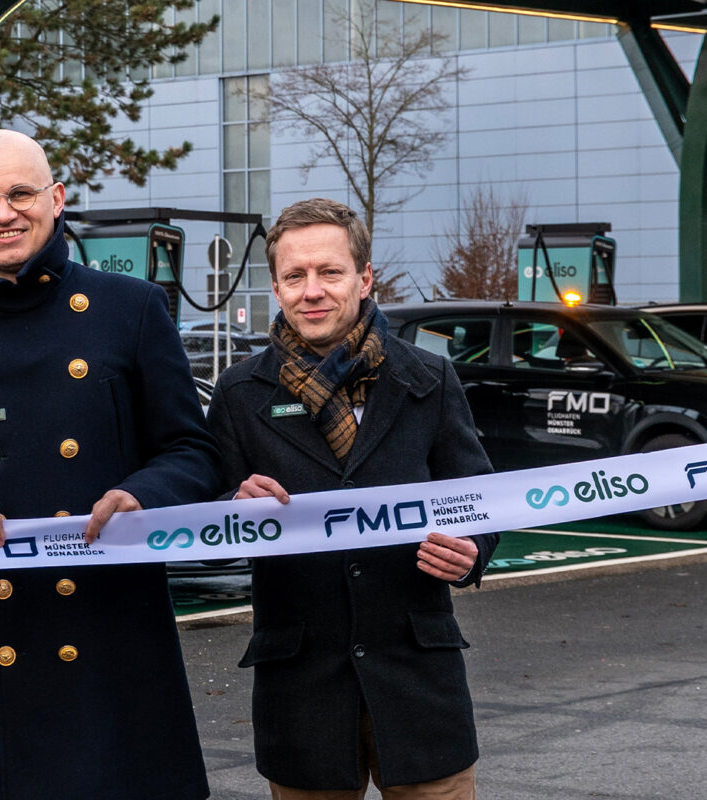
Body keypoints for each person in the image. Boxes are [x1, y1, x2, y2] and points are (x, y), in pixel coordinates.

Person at [0, 129, 219, 800]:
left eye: (20, 194)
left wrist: (141, 495)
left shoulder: (132, 310)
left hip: (109, 622)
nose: (2, 213)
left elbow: (194, 451)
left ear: (56, 199)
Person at [207, 197, 499, 799]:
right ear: (278, 287)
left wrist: (473, 550)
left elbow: (481, 499)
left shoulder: (427, 379)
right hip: (302, 689)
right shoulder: (239, 394)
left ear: (364, 279)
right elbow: (210, 517)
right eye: (295, 276)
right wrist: (232, 507)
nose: (312, 290)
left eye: (329, 273)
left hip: (418, 683)